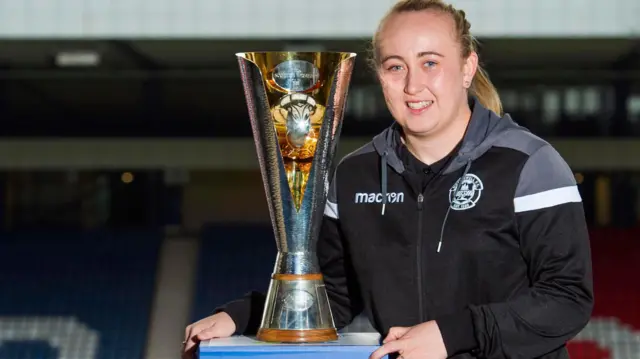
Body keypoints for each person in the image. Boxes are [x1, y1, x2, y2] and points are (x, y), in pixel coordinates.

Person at [183, 0, 594, 358]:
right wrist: (241, 316)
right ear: (379, 75)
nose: (413, 85)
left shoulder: (529, 163)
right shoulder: (353, 175)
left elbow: (567, 300)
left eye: (430, 63)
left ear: (468, 67)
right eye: (395, 67)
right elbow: (336, 299)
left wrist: (451, 335)